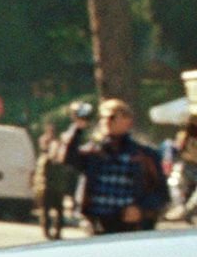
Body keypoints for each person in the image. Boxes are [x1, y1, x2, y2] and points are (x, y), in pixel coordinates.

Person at [57, 98, 168, 235]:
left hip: (130, 226)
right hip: (98, 224)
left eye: (112, 117)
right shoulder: (94, 152)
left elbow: (162, 194)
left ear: (128, 121)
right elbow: (67, 158)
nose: (106, 121)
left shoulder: (144, 155)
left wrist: (141, 209)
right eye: (102, 118)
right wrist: (77, 128)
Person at [165, 115, 197, 222]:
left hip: (191, 166)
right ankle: (183, 211)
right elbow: (177, 150)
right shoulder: (183, 135)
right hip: (186, 166)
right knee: (179, 188)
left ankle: (187, 212)